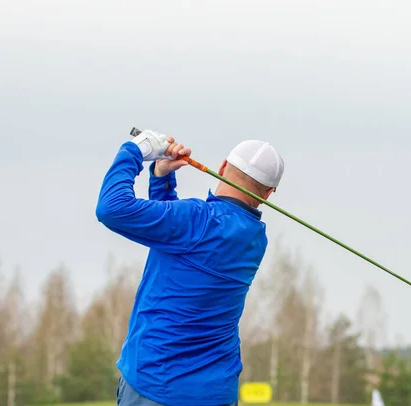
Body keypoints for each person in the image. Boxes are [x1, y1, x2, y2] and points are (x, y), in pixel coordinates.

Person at [95, 129, 284, 406]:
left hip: (156, 386)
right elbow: (174, 238)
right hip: (216, 393)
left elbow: (111, 209)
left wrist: (132, 151)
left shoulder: (198, 220)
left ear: (222, 167)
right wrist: (162, 178)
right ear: (268, 194)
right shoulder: (255, 238)